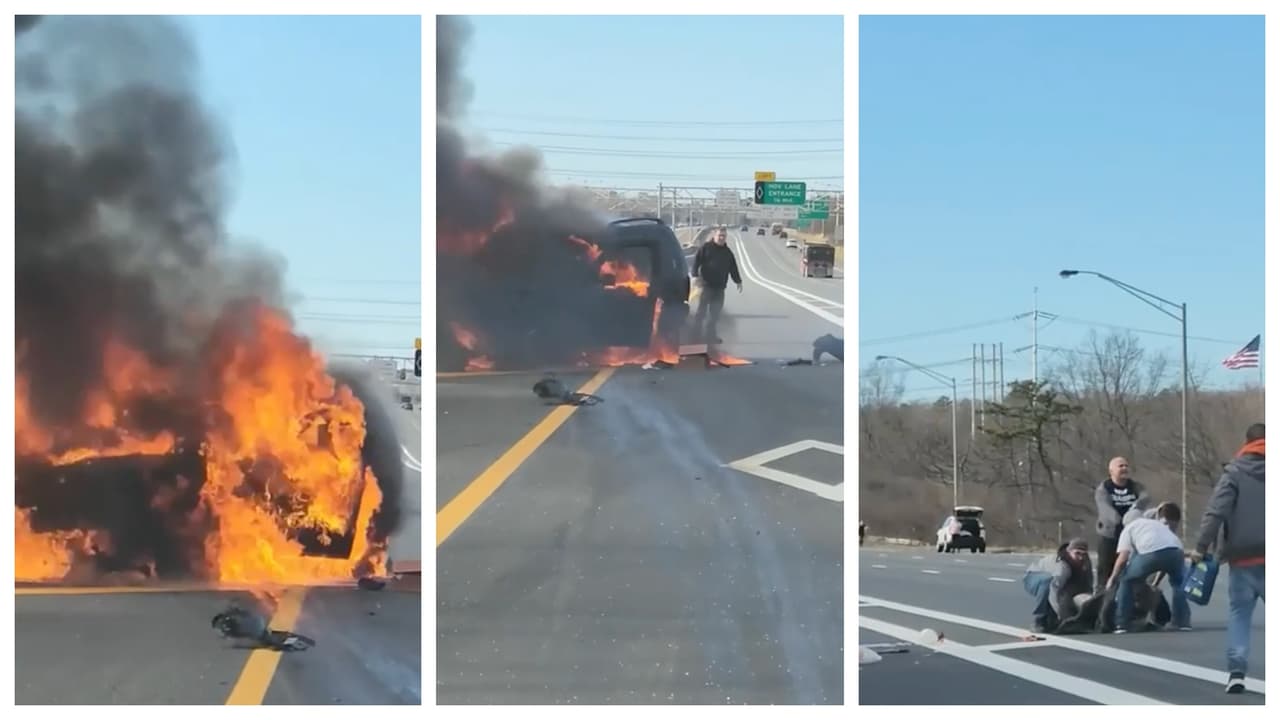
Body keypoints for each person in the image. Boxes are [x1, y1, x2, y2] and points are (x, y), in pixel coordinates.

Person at [1191, 423, 1265, 694]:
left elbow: (1216, 511)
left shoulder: (1234, 472)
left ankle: (1236, 672)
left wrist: (1201, 547)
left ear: (1246, 443)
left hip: (1242, 559)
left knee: (1239, 615)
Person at [1106, 501, 1190, 634]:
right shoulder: (1156, 524)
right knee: (1178, 584)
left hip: (1151, 552)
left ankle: (1122, 623)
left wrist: (1112, 578)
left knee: (1127, 581)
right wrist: (1156, 582)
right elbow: (1165, 559)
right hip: (1177, 551)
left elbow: (1123, 559)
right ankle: (1182, 622)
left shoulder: (1129, 528)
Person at [1093, 456, 1152, 592]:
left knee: (1130, 569)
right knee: (1105, 569)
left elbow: (1145, 498)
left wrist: (1134, 513)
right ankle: (1102, 594)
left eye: (1126, 466)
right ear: (1111, 471)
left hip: (1132, 534)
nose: (1125, 468)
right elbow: (1105, 508)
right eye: (1121, 466)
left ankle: (1130, 595)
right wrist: (1120, 520)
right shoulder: (1104, 489)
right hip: (1110, 534)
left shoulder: (1135, 486)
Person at [1023, 538, 1095, 633]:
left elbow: (1088, 583)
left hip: (1054, 581)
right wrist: (1060, 613)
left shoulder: (1086, 562)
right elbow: (1054, 591)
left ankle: (1051, 620)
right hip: (1033, 577)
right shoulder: (1062, 566)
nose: (1080, 557)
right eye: (1077, 553)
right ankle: (1039, 620)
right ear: (1069, 551)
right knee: (1047, 583)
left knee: (1067, 591)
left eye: (1083, 554)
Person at [690, 226, 742, 344]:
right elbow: (696, 262)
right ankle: (695, 336)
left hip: (719, 288)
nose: (721, 238)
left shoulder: (727, 252)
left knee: (715, 315)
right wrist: (695, 276)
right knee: (701, 313)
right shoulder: (706, 248)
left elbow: (733, 268)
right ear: (715, 236)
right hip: (706, 286)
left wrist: (738, 281)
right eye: (719, 235)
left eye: (723, 236)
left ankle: (710, 336)